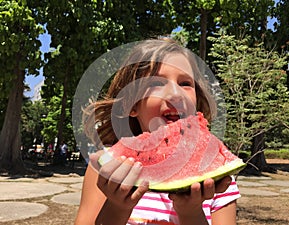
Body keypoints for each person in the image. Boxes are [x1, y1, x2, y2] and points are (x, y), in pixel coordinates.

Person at [74, 39, 241, 225]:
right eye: (156, 83)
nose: (176, 93)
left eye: (185, 83)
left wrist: (191, 213)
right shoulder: (108, 169)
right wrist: (117, 207)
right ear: (131, 104)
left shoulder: (219, 181)